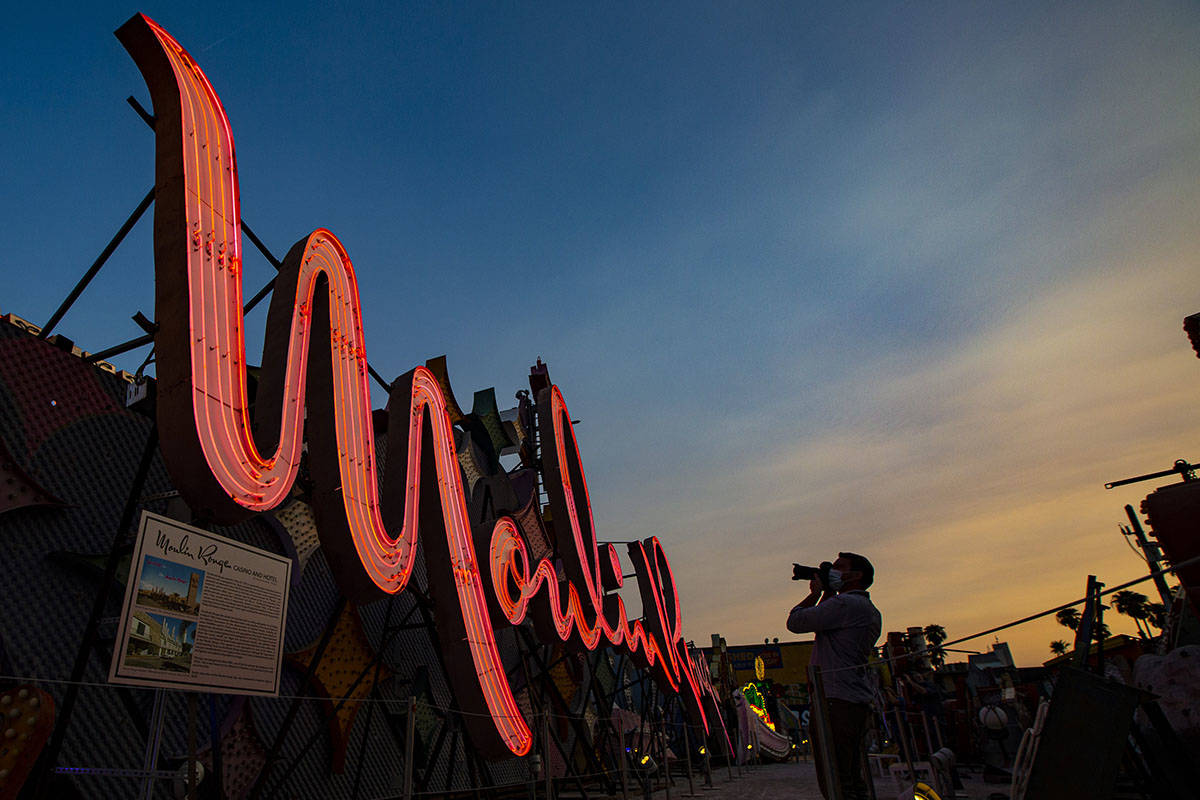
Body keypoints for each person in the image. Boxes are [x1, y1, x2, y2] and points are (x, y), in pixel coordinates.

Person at [786, 552, 882, 800]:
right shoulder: (865, 608)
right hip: (850, 698)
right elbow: (823, 622)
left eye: (840, 567)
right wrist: (828, 591)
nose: (835, 571)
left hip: (836, 700)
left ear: (856, 575)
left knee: (836, 776)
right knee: (849, 774)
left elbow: (796, 622)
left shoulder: (847, 604)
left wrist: (815, 593)